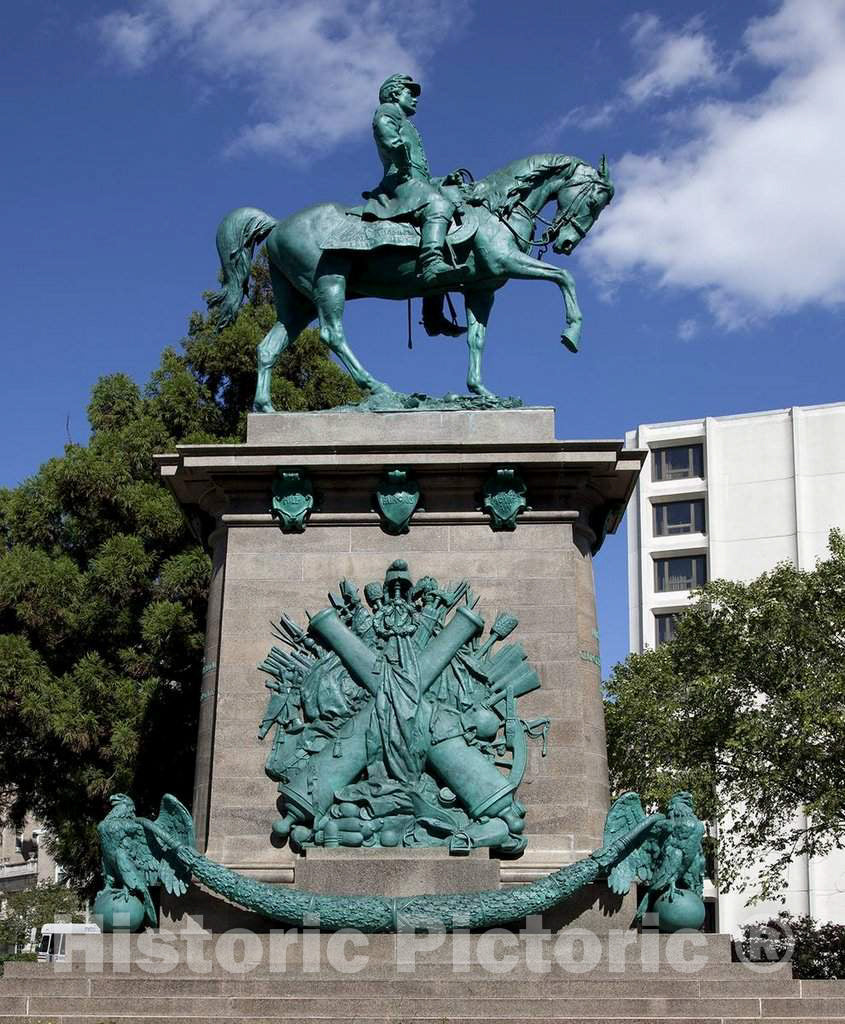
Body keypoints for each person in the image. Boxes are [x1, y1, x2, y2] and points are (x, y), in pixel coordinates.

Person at [364, 74, 468, 336]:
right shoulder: (387, 111)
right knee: (439, 206)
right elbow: (387, 136)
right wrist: (399, 154)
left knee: (450, 213)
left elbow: (421, 175)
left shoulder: (408, 124)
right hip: (398, 183)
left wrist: (444, 180)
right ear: (394, 94)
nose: (415, 98)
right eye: (409, 92)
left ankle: (433, 316)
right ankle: (431, 263)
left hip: (414, 183)